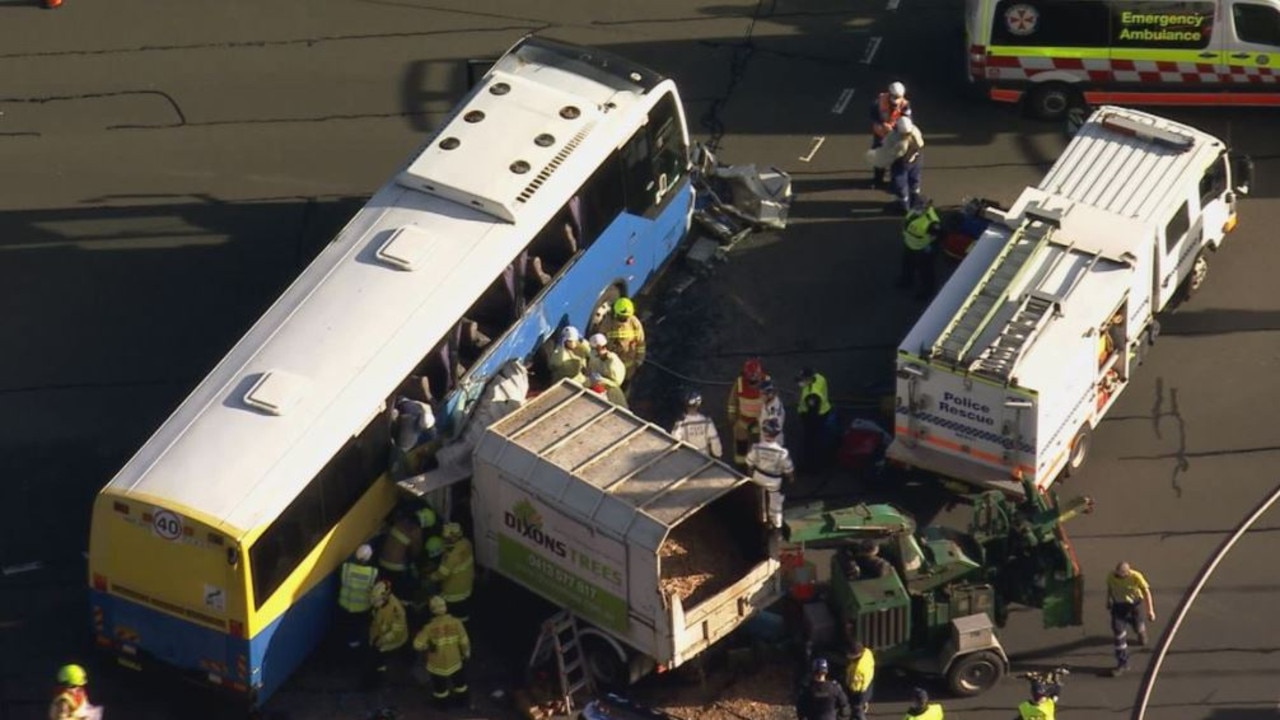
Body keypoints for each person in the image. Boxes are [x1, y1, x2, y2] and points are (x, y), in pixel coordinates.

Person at [413, 596, 471, 709]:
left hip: (437, 664)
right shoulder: (456, 622)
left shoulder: (429, 627)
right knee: (460, 684)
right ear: (445, 607)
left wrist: (428, 646)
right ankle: (463, 703)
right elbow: (464, 641)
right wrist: (466, 653)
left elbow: (417, 645)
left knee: (440, 689)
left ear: (432, 611)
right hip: (455, 661)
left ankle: (443, 706)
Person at [1106, 561, 1156, 676]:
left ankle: (1141, 631)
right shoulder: (1111, 576)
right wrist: (1108, 599)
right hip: (1118, 607)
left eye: (1122, 575)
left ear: (1128, 573)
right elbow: (1110, 587)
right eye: (1117, 574)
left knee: (1137, 627)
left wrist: (1150, 611)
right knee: (1118, 634)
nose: (1119, 577)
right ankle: (1122, 663)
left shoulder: (1136, 576)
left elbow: (1146, 592)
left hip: (1133, 607)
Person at [379, 505, 437, 600]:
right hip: (396, 569)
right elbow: (416, 553)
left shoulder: (401, 520)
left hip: (382, 562)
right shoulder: (416, 532)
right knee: (402, 594)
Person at [745, 418, 793, 530]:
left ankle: (761, 519)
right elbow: (788, 469)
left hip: (758, 477)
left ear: (764, 431)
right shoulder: (782, 452)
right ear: (776, 434)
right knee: (775, 503)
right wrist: (791, 478)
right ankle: (776, 523)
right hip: (774, 481)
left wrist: (750, 475)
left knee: (759, 499)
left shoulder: (756, 447)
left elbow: (749, 462)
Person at [868, 82, 912, 189]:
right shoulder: (879, 102)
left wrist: (897, 127)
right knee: (879, 157)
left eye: (899, 97)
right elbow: (872, 115)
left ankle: (894, 181)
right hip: (880, 134)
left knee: (896, 158)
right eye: (894, 97)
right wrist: (882, 124)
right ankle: (878, 180)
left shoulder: (905, 105)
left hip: (895, 136)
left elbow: (908, 120)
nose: (896, 101)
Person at [727, 358, 770, 465]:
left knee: (759, 443)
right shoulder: (740, 383)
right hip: (743, 420)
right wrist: (731, 415)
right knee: (741, 442)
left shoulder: (767, 381)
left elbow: (772, 401)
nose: (753, 384)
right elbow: (732, 401)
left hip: (760, 421)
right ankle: (741, 463)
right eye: (751, 381)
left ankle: (758, 463)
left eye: (755, 381)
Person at [897, 197, 941, 300]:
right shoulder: (913, 212)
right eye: (916, 206)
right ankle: (906, 280)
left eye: (919, 207)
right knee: (907, 264)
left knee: (925, 271)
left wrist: (928, 249)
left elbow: (936, 238)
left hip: (923, 249)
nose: (916, 209)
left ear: (926, 208)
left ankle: (927, 290)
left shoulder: (932, 222)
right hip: (910, 245)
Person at [337, 543, 379, 650]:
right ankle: (355, 647)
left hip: (345, 605)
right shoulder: (373, 573)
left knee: (345, 628)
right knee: (357, 630)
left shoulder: (346, 568)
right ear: (370, 557)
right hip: (361, 607)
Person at [367, 580, 409, 682]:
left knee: (379, 656)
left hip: (389, 640)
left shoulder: (396, 611)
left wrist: (382, 640)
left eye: (377, 600)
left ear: (385, 597)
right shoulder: (381, 601)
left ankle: (380, 673)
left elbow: (396, 632)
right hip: (378, 634)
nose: (374, 602)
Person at [433, 522, 474, 623]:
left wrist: (429, 577)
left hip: (453, 593)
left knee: (452, 618)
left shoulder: (452, 556)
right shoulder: (466, 543)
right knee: (463, 614)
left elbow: (442, 574)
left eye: (447, 538)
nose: (445, 540)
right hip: (466, 587)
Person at [602, 297, 646, 387]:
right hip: (611, 365)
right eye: (622, 317)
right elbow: (601, 340)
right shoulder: (608, 323)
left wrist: (639, 360)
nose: (625, 319)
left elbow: (641, 343)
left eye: (626, 317)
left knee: (624, 386)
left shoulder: (634, 323)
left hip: (628, 366)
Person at [887, 116, 926, 215]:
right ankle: (903, 205)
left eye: (907, 134)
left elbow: (919, 146)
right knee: (900, 185)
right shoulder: (893, 136)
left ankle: (913, 201)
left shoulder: (915, 132)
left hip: (913, 161)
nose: (906, 136)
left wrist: (911, 154)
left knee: (914, 182)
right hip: (900, 162)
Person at [796, 367, 832, 472]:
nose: (801, 382)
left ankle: (811, 467)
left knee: (811, 442)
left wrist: (805, 420)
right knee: (819, 437)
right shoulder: (819, 378)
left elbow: (812, 413)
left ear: (809, 379)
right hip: (823, 411)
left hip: (816, 417)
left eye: (803, 379)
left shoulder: (812, 395)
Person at [671, 391, 723, 458]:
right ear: (698, 405)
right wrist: (718, 454)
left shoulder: (681, 423)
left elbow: (674, 439)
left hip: (687, 458)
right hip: (704, 457)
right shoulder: (706, 421)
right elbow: (714, 440)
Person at [845, 640, 875, 720]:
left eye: (850, 654)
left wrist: (848, 689)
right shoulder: (867, 652)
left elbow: (853, 686)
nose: (848, 655)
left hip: (858, 692)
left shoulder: (858, 670)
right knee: (857, 710)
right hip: (868, 685)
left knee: (857, 711)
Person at [760, 380, 786, 447]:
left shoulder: (774, 409)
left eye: (762, 393)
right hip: (766, 442)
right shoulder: (768, 403)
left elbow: (773, 429)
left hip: (773, 444)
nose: (760, 395)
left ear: (770, 394)